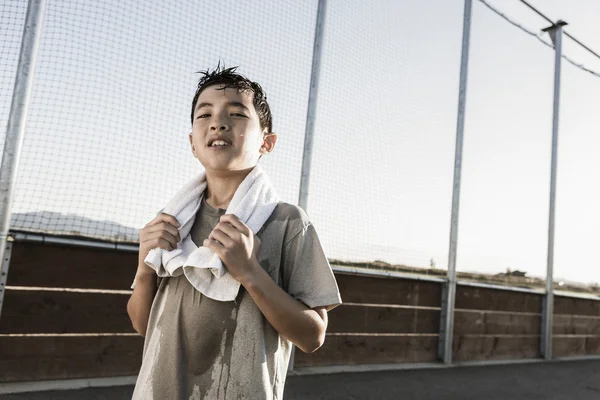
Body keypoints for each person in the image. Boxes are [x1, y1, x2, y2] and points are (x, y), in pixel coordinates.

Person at [127, 65, 342, 399]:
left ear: (267, 142)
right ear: (192, 143)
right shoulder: (171, 222)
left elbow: (312, 337)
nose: (217, 122)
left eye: (237, 114)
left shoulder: (287, 222)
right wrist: (144, 269)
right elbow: (144, 326)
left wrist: (250, 273)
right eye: (205, 114)